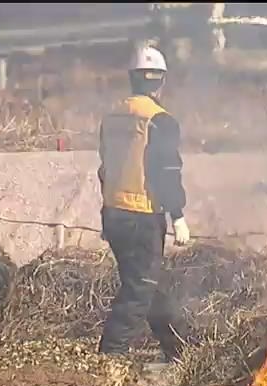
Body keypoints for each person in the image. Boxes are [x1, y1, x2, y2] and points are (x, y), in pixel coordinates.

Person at [96, 44, 194, 361]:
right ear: (161, 82)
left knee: (148, 282)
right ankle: (109, 358)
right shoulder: (160, 120)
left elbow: (104, 166)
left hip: (114, 213)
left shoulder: (111, 117)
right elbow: (166, 171)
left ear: (131, 78)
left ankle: (177, 348)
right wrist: (177, 214)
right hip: (143, 216)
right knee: (139, 289)